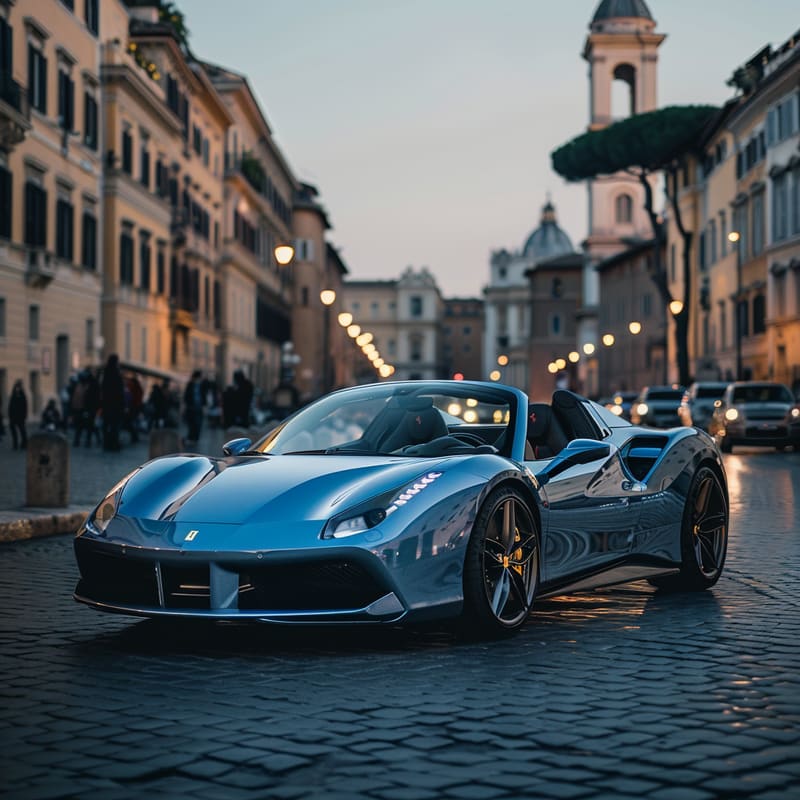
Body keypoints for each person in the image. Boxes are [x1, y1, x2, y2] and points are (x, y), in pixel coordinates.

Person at [101, 354, 125, 451]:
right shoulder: (117, 374)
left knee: (107, 426)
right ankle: (114, 444)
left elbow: (103, 389)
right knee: (115, 426)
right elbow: (119, 392)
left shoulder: (106, 373)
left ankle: (107, 443)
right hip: (115, 405)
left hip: (107, 404)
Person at [183, 370, 205, 445]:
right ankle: (191, 438)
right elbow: (186, 397)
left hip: (199, 408)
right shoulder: (190, 385)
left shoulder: (201, 385)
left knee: (198, 423)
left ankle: (195, 438)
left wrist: (203, 405)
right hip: (191, 408)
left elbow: (203, 396)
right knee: (192, 423)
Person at [8, 379, 28, 450]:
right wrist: (9, 415)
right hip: (13, 416)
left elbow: (25, 406)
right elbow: (10, 405)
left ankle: (24, 443)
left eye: (18, 386)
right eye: (17, 386)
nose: (17, 388)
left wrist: (24, 416)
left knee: (22, 430)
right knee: (13, 430)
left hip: (20, 416)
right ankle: (15, 444)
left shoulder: (22, 394)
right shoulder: (13, 394)